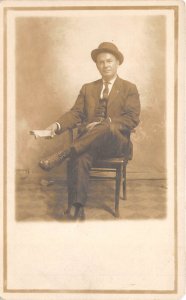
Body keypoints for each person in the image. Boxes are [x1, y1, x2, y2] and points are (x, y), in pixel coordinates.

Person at [39, 42, 141, 220]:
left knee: (106, 126)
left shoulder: (129, 88)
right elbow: (75, 114)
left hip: (115, 143)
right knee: (80, 156)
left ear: (118, 63)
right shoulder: (88, 88)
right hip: (88, 144)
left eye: (109, 61)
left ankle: (65, 152)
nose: (105, 65)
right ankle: (78, 207)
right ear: (97, 65)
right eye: (101, 62)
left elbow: (132, 118)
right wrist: (56, 125)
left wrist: (105, 124)